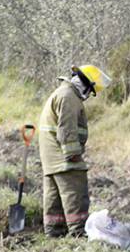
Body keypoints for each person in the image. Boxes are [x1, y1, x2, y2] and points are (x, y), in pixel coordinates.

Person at [39, 65, 111, 237]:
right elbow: (67, 128)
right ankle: (78, 232)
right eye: (91, 90)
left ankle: (54, 232)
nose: (90, 95)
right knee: (75, 193)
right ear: (86, 84)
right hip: (63, 158)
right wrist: (72, 154)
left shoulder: (62, 93)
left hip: (51, 159)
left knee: (53, 198)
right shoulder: (69, 96)